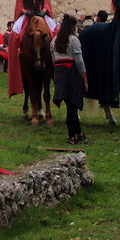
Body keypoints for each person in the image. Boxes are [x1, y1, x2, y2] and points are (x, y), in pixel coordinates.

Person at [7, 0, 55, 97]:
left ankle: (54, 57)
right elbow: (19, 6)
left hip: (40, 15)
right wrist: (25, 12)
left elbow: (47, 3)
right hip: (27, 16)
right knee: (14, 34)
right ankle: (18, 54)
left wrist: (44, 11)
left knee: (54, 30)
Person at [51, 14, 88, 144]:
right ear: (72, 26)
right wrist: (85, 79)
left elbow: (54, 61)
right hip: (72, 75)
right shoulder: (74, 40)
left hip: (60, 76)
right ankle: (72, 135)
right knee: (72, 107)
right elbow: (79, 62)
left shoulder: (54, 41)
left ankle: (79, 133)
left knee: (70, 106)